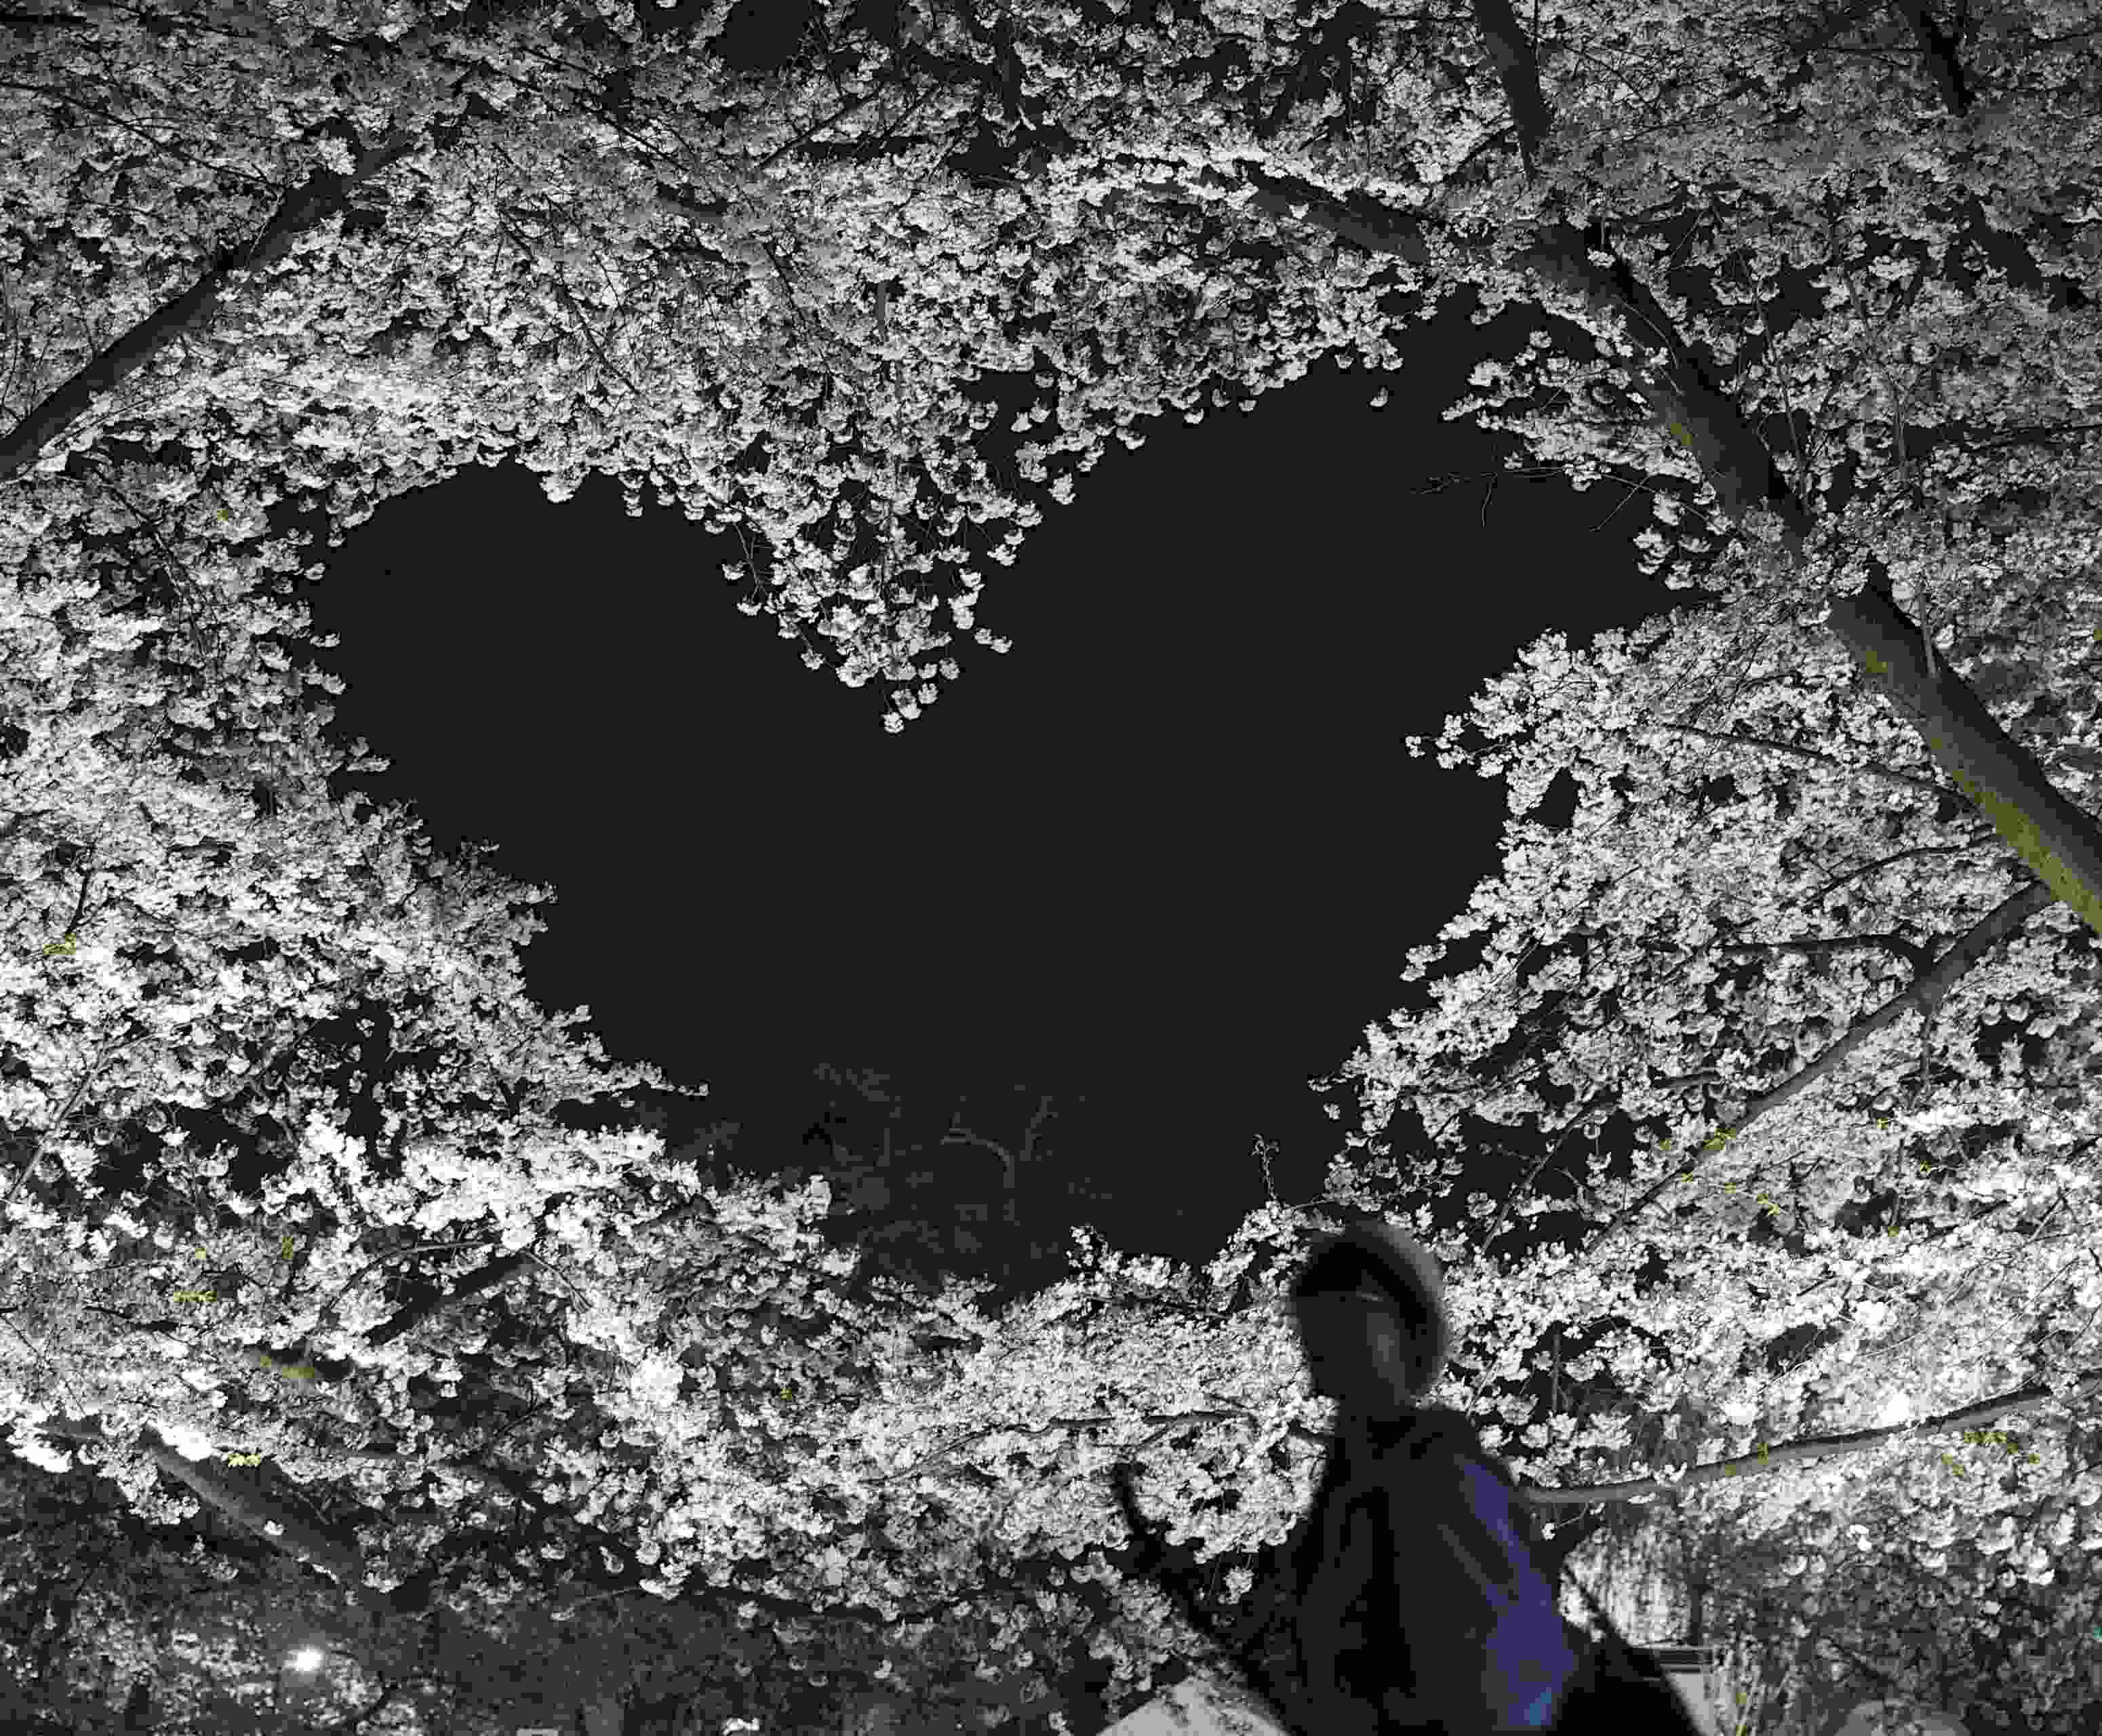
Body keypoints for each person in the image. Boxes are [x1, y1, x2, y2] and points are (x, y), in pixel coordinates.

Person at [1113, 1219, 1707, 1735]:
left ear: (1406, 1331)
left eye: (1347, 1315)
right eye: (1310, 1323)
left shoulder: (1433, 1465)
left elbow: (1505, 1671)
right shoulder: (1361, 1473)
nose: (1320, 1344)